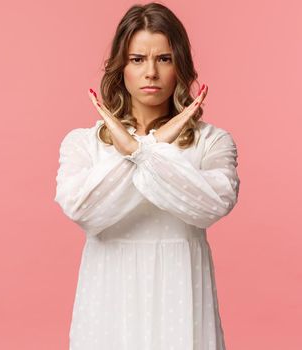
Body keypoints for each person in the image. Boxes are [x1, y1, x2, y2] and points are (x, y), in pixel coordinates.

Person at [54, 3, 240, 349]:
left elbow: (211, 206)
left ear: (179, 65)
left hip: (181, 296)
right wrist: (151, 147)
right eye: (137, 59)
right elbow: (85, 212)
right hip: (107, 300)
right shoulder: (82, 143)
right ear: (120, 68)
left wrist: (142, 150)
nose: (151, 72)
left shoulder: (212, 142)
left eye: (164, 59)